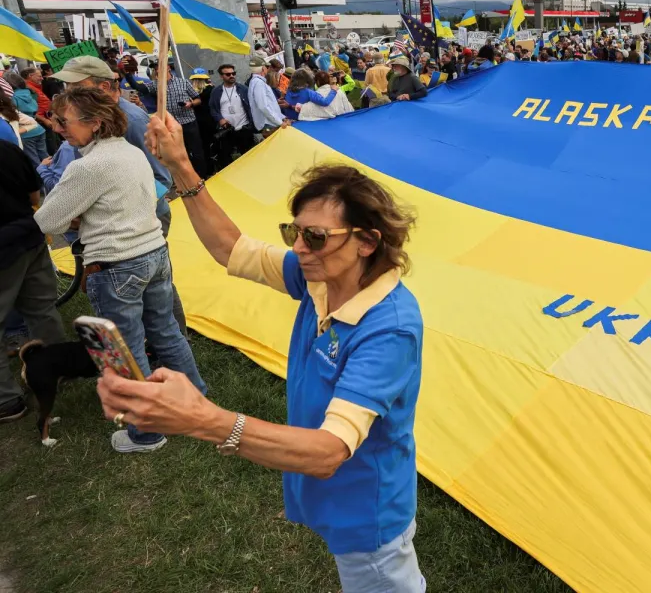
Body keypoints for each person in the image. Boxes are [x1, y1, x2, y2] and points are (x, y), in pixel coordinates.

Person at [99, 115, 426, 592]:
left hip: (365, 505)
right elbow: (231, 248)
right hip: (332, 487)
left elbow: (330, 451)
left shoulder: (388, 328)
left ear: (367, 241)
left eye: (314, 237)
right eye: (294, 231)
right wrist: (181, 166)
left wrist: (202, 419)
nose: (298, 247)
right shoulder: (321, 277)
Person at [33, 86, 206, 452]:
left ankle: (147, 433)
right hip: (153, 252)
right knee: (166, 332)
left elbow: (47, 220)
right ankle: (197, 401)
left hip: (117, 264)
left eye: (63, 121)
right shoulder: (129, 151)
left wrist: (77, 214)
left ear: (94, 124)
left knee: (126, 352)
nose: (57, 127)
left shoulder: (87, 166)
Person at [0, 140, 66, 422]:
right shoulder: (5, 149)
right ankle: (59, 368)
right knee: (42, 309)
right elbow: (33, 193)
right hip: (29, 236)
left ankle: (6, 400)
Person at [123, 60, 206, 176]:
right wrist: (127, 74)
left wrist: (190, 104)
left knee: (196, 151)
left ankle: (202, 175)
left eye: (159, 66)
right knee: (177, 153)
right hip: (170, 125)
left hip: (188, 122)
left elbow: (198, 99)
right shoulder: (155, 84)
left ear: (167, 67)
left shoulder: (183, 82)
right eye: (155, 68)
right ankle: (186, 176)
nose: (157, 69)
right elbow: (138, 87)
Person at [209, 63, 257, 170]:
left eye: (233, 73)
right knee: (226, 158)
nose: (232, 76)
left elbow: (252, 106)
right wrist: (220, 119)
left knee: (249, 155)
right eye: (228, 74)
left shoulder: (243, 89)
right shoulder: (216, 91)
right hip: (227, 130)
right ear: (221, 76)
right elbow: (212, 109)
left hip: (244, 127)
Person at [6, 70, 49, 164]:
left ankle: (41, 177)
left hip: (26, 133)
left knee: (35, 162)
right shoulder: (29, 92)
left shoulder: (12, 97)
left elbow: (13, 115)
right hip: (39, 128)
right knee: (45, 156)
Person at [246, 57, 286, 137]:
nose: (268, 69)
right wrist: (280, 122)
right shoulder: (258, 83)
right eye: (267, 67)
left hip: (269, 123)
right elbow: (263, 106)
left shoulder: (255, 82)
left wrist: (282, 117)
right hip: (269, 124)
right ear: (263, 68)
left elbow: (267, 104)